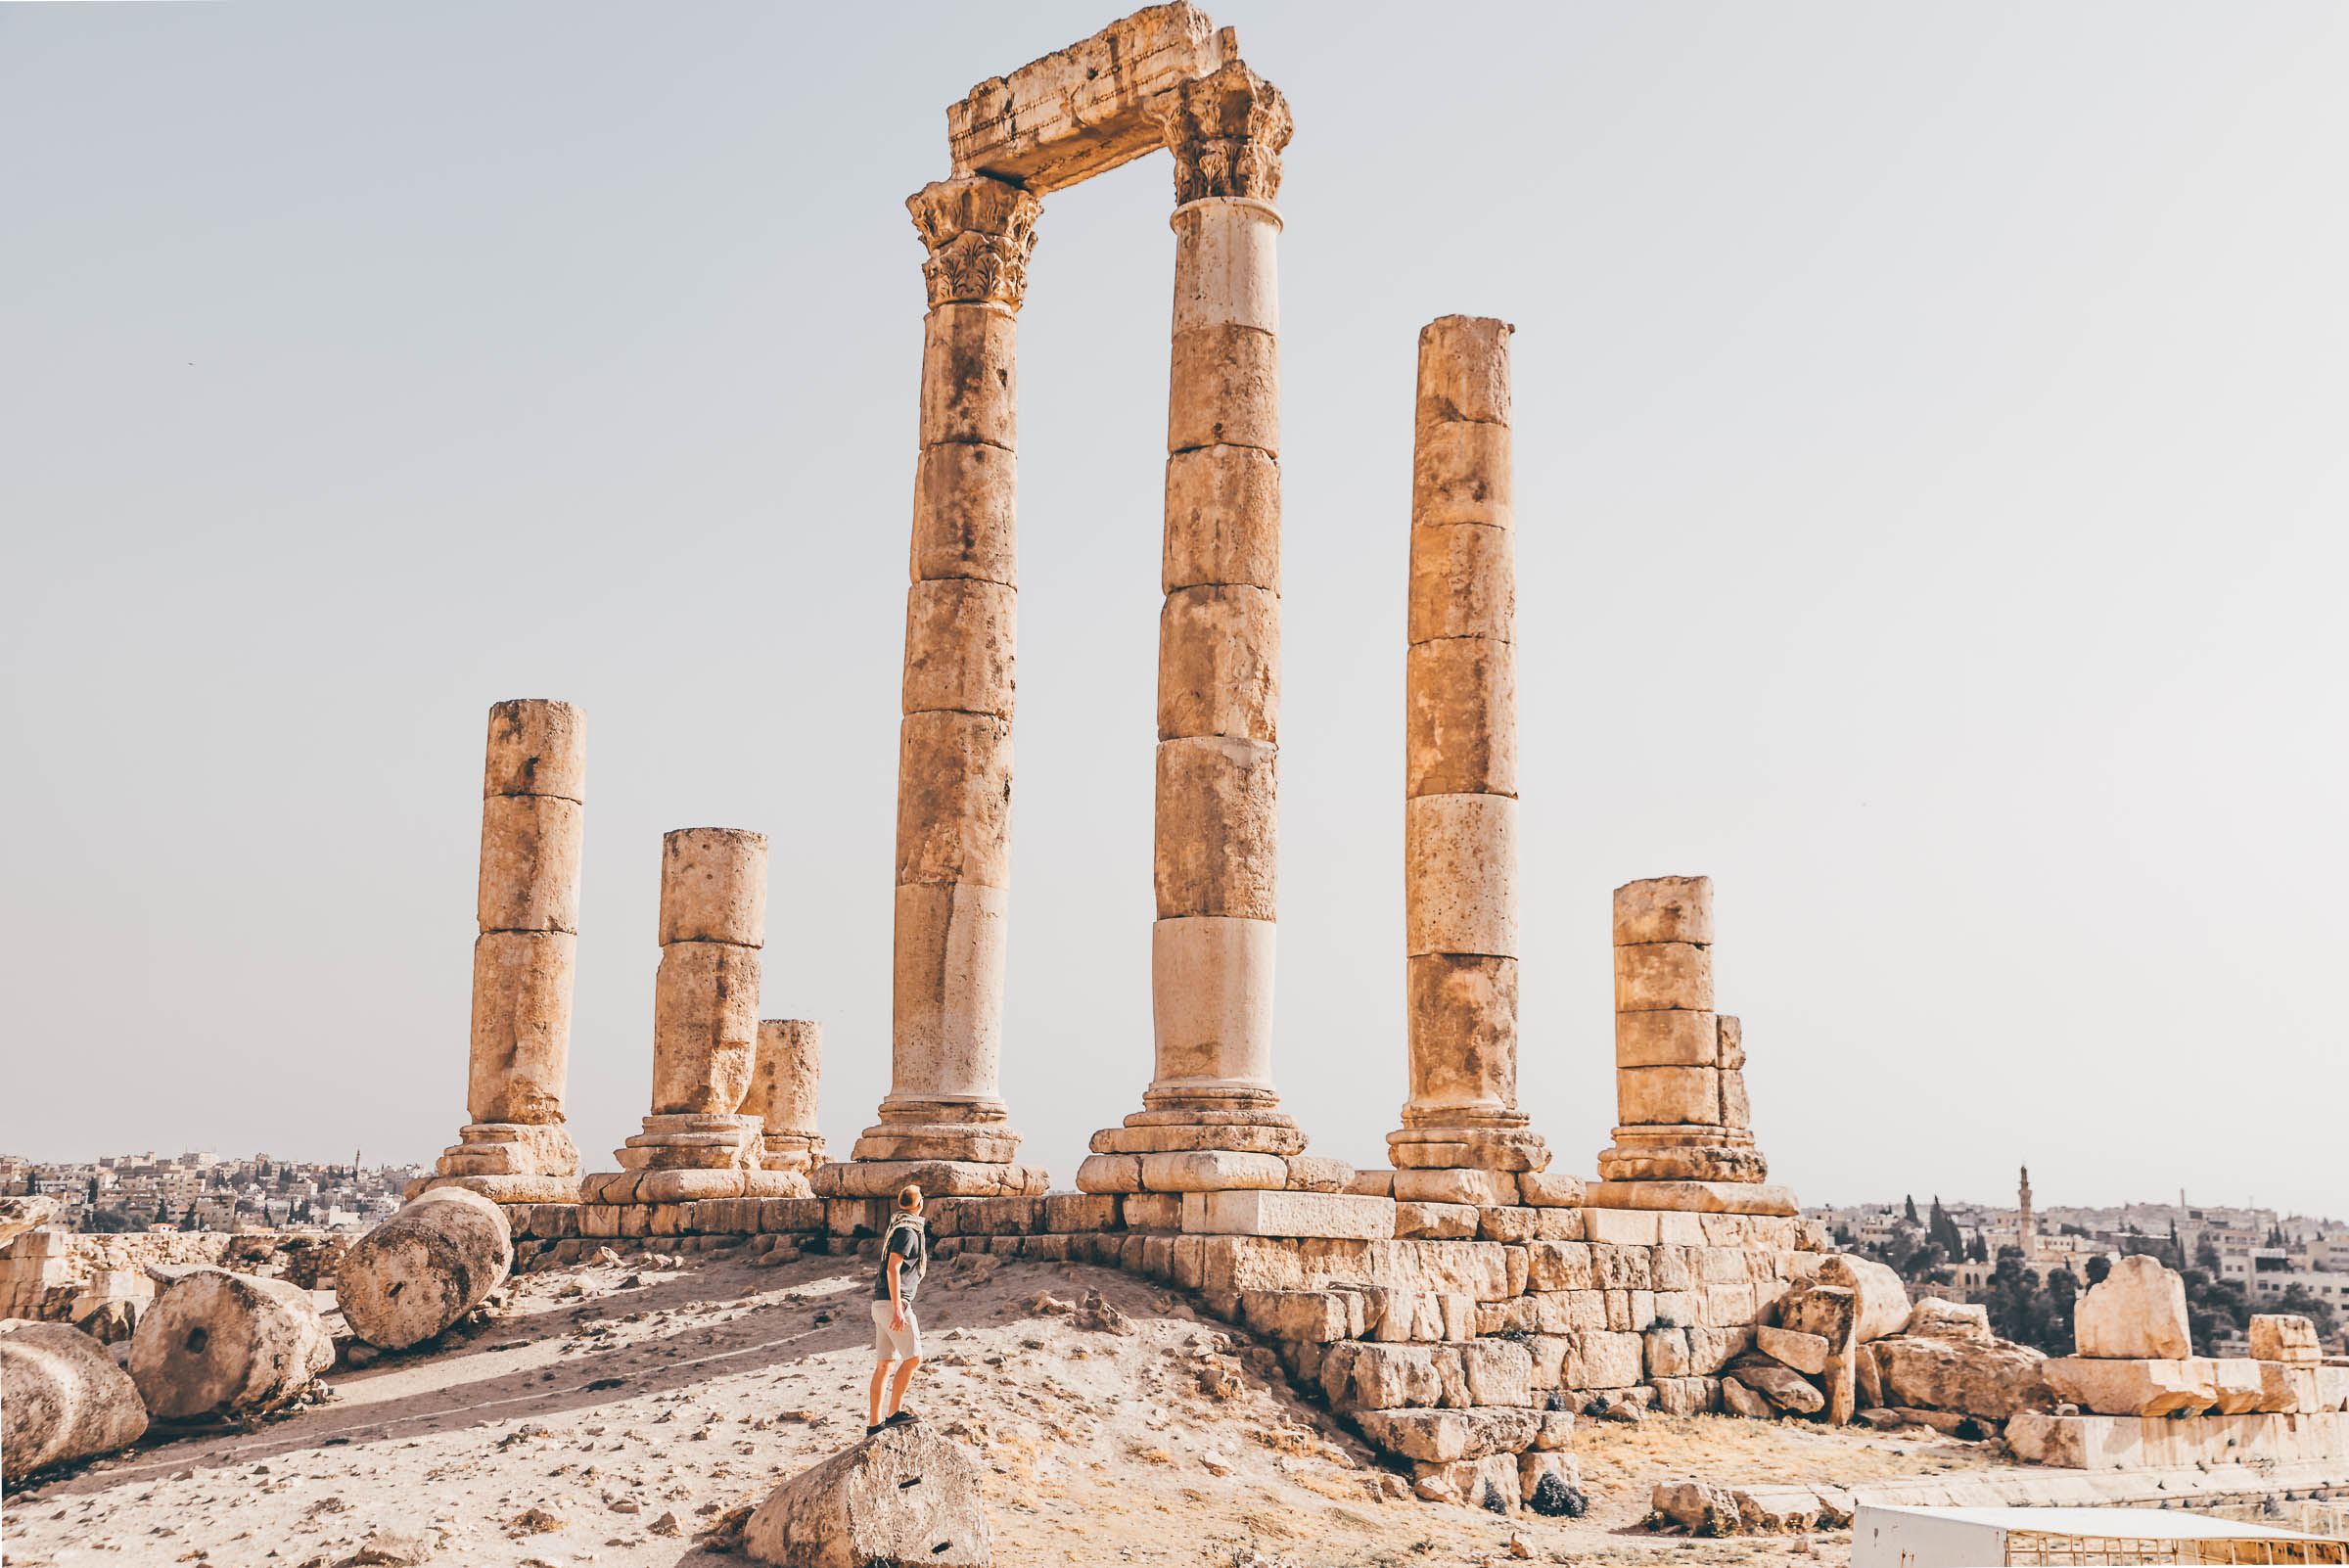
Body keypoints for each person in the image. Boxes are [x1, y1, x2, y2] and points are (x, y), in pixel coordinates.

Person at [866, 1183, 928, 1435]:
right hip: (893, 1303)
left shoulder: (896, 1226)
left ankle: (873, 1424)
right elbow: (893, 1268)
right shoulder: (908, 1232)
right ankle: (893, 1414)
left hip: (879, 1302)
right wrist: (898, 1309)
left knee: (884, 1364)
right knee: (914, 1358)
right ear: (919, 1204)